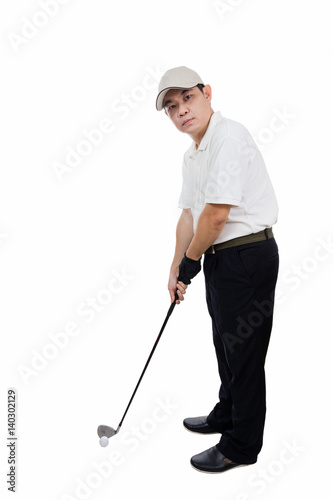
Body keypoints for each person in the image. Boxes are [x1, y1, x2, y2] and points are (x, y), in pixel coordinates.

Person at [155, 66, 280, 474]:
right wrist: (176, 268)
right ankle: (227, 413)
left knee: (243, 352)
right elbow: (189, 217)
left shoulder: (229, 136)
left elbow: (216, 215)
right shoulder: (194, 154)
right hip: (220, 258)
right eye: (172, 107)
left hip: (246, 256)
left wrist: (191, 263)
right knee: (225, 344)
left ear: (207, 93)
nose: (181, 110)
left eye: (187, 98)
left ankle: (241, 446)